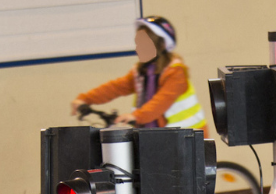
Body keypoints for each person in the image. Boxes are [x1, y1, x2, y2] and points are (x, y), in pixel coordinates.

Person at [69, 15, 205, 131]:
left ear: (162, 46)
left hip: (188, 138)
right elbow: (115, 88)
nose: (138, 48)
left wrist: (136, 116)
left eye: (144, 44)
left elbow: (161, 102)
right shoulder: (141, 72)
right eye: (137, 43)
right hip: (157, 137)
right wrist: (85, 99)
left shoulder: (176, 73)